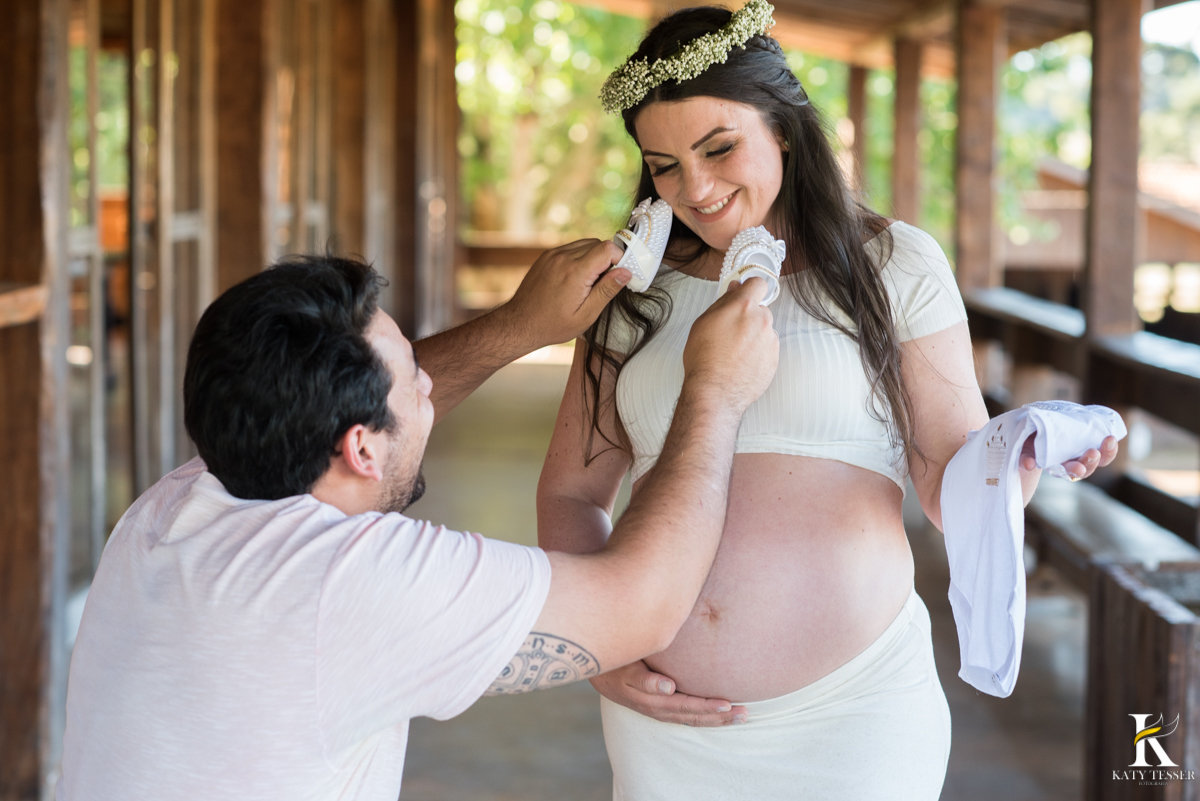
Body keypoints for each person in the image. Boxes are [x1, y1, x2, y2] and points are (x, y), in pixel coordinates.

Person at [536, 4, 1119, 799]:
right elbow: (573, 491)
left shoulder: (894, 264)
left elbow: (956, 486)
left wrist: (1018, 454)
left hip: (858, 715)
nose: (695, 188)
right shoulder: (631, 294)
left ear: (783, 127)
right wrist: (597, 643)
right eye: (664, 164)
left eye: (719, 148)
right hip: (668, 726)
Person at [56, 243, 779, 800]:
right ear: (360, 446)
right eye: (414, 378)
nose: (431, 383)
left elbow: (358, 404)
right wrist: (714, 391)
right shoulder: (350, 582)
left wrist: (519, 326)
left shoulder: (175, 503)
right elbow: (642, 604)